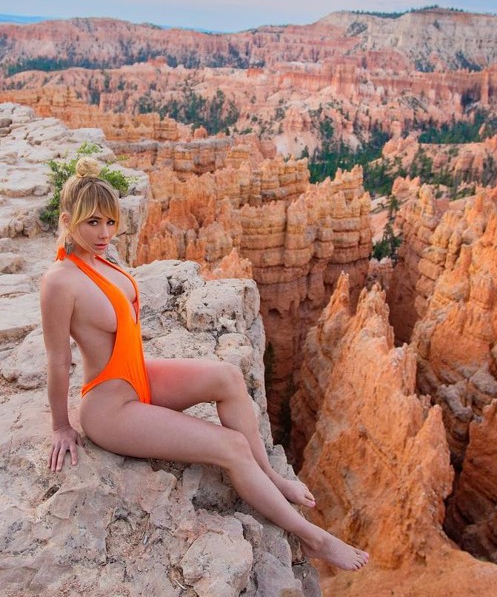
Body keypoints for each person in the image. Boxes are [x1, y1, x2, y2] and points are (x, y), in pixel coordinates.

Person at [40, 157, 368, 571]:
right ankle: (313, 538)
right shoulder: (59, 280)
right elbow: (57, 360)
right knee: (229, 447)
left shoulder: (99, 257)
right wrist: (59, 425)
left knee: (228, 378)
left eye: (110, 221)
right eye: (92, 223)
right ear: (69, 220)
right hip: (109, 407)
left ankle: (269, 475)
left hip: (138, 376)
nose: (104, 232)